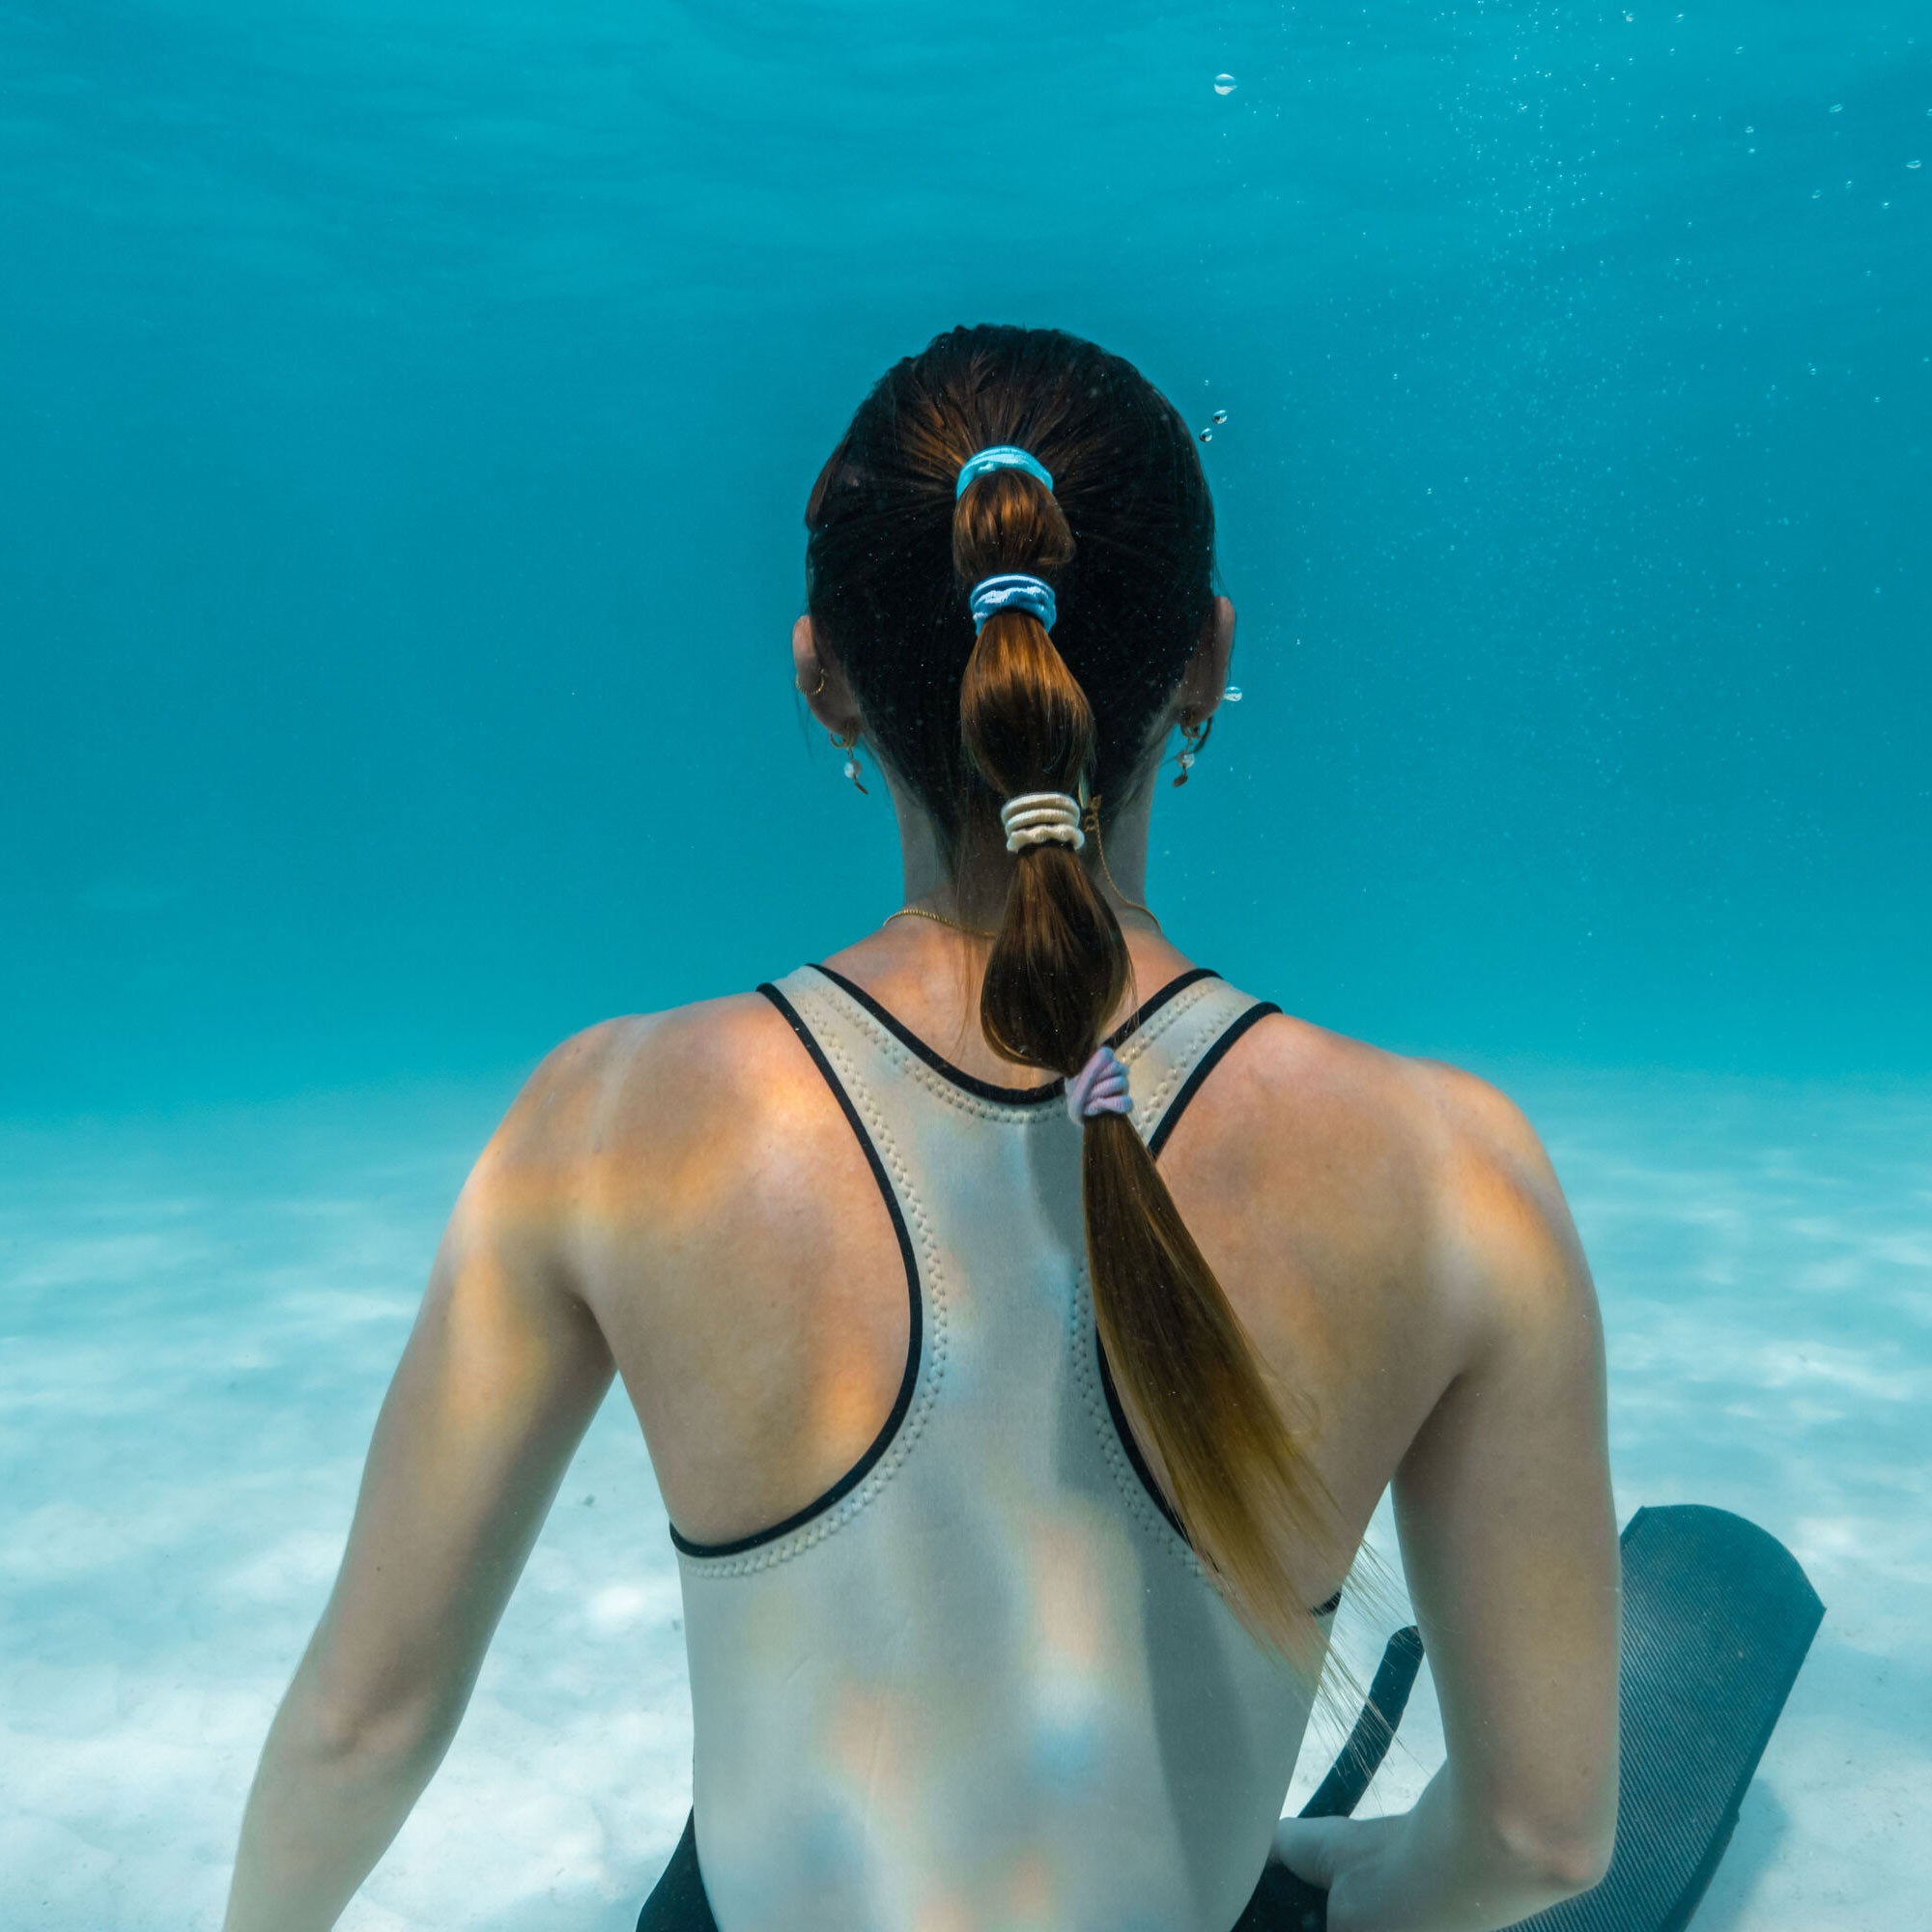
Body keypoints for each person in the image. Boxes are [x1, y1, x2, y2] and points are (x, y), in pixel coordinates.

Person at [221, 324, 1621, 1932]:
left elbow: (362, 1725)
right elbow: (1541, 1834)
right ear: (1205, 666)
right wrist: (1364, 1890)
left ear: (824, 682)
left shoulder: (603, 1123)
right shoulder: (1458, 1170)